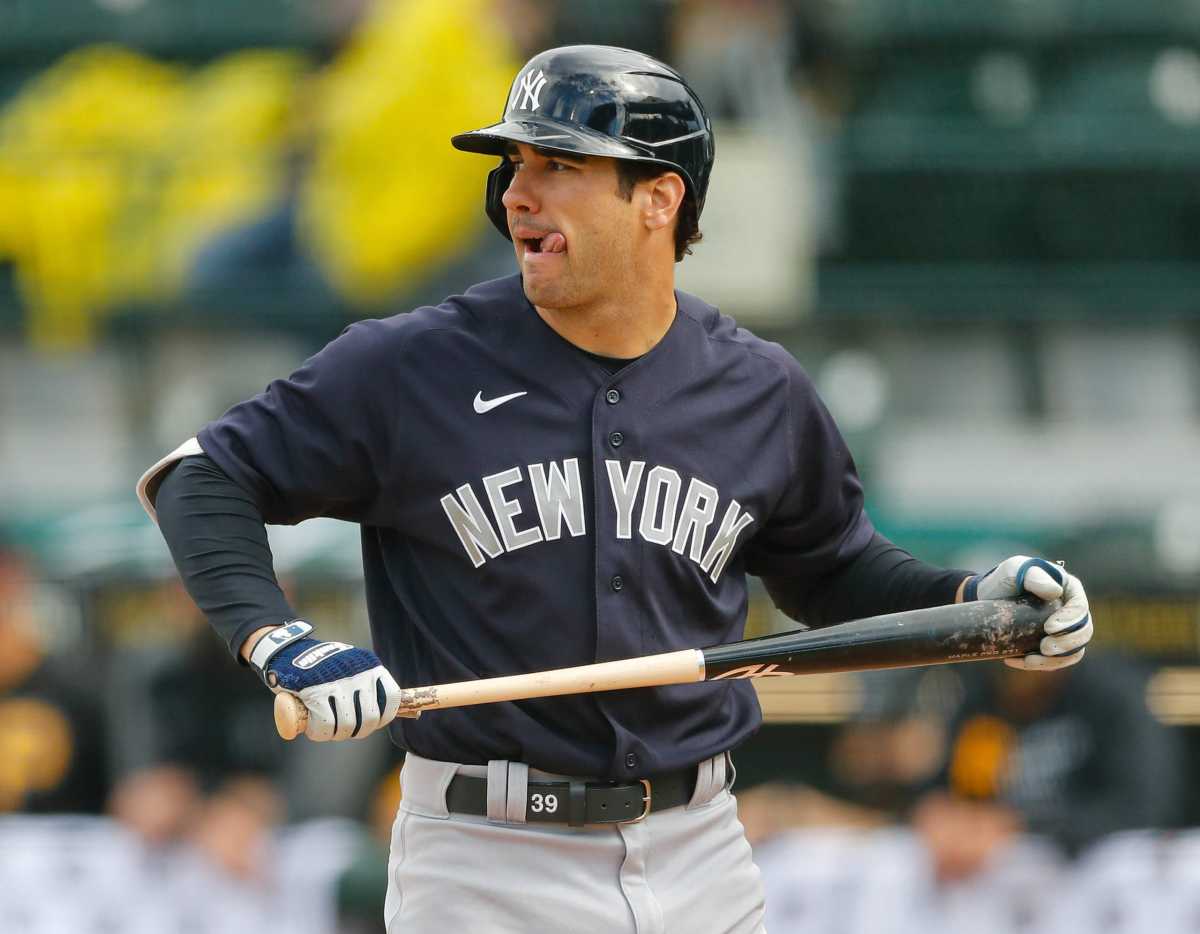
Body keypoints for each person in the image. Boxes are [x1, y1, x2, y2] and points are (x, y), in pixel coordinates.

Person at [136, 45, 1093, 933]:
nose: (518, 193)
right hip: (485, 859)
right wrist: (282, 641)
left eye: (559, 166)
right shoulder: (409, 366)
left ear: (659, 198)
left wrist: (976, 604)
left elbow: (834, 571)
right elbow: (201, 477)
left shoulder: (758, 388)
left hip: (701, 847)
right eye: (513, 166)